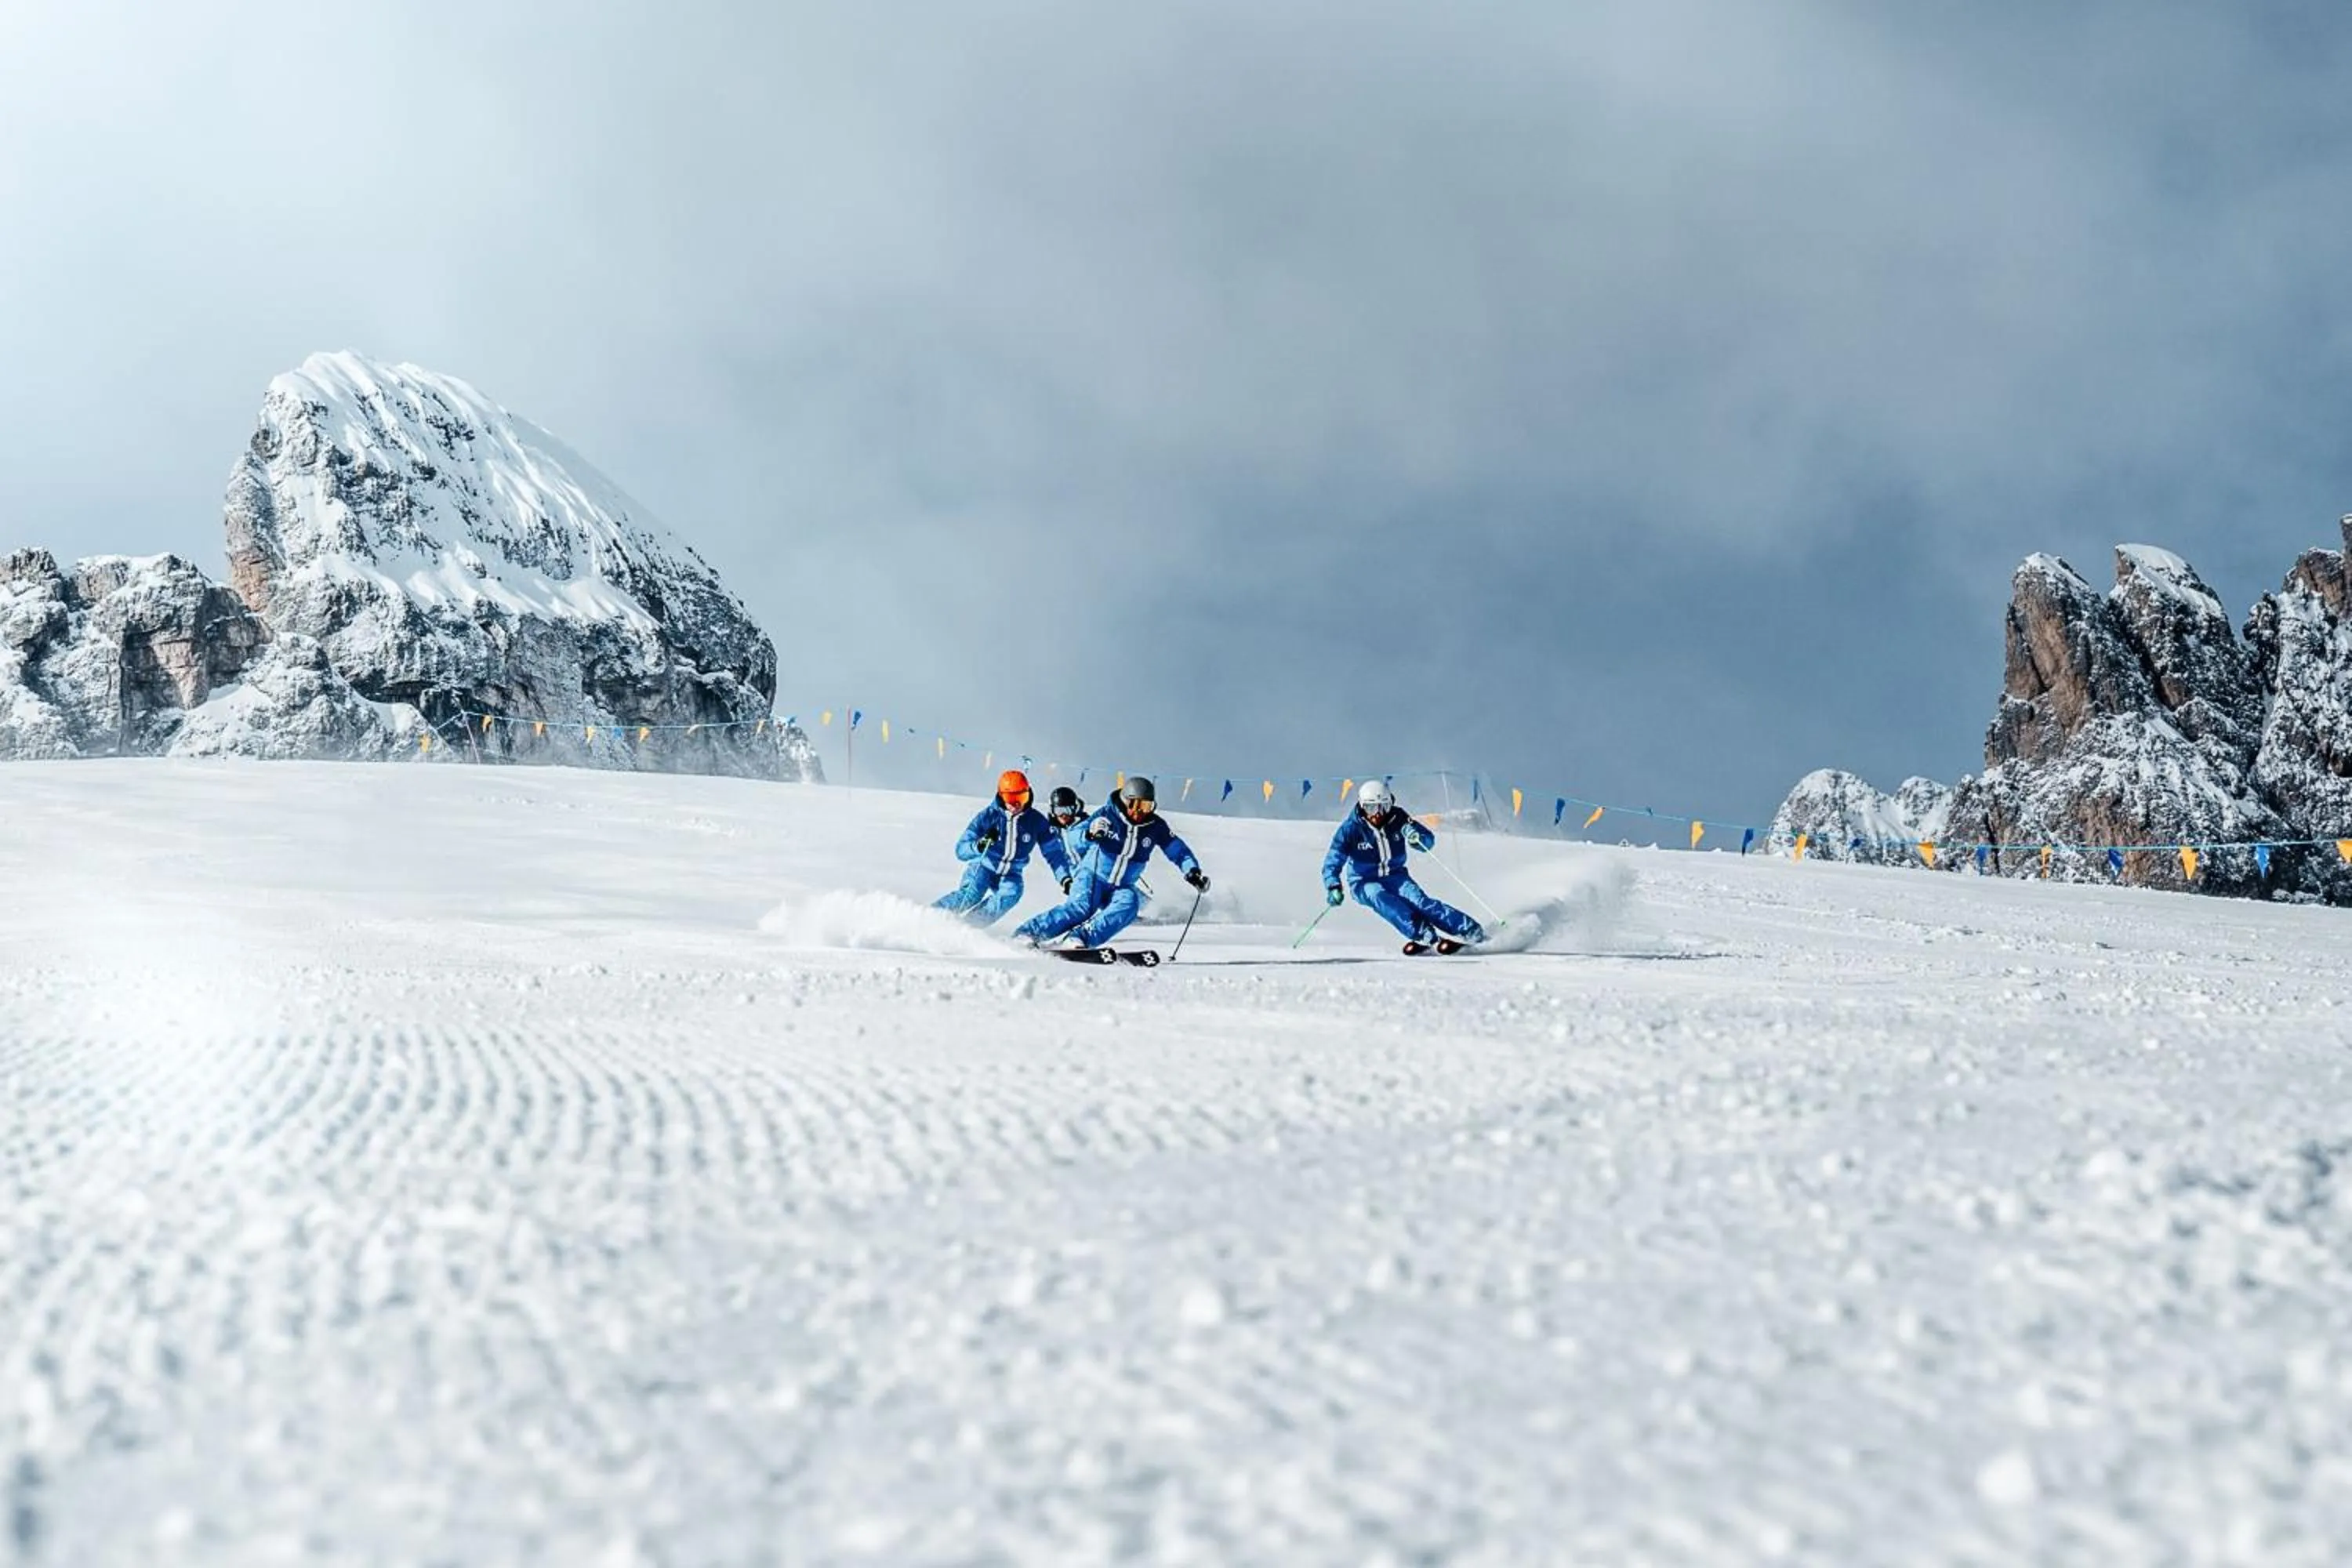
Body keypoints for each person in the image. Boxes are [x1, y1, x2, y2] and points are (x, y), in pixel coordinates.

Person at [1014, 776, 1208, 949]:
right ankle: (1029, 932)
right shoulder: (1108, 815)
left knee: (1130, 904)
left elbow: (1177, 850)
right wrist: (1089, 833)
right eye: (1135, 805)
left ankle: (1079, 938)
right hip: (1092, 876)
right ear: (1125, 801)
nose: (1139, 811)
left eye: (1146, 806)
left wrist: (1192, 871)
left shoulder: (1155, 826)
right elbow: (1075, 839)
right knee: (1082, 907)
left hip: (1122, 885)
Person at [1322, 779, 1486, 952]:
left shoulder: (1398, 818)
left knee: (1420, 902)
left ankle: (1470, 930)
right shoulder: (1351, 830)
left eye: (1383, 806)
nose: (1377, 814)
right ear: (1362, 806)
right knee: (1380, 897)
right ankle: (1425, 935)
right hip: (1363, 881)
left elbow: (1428, 843)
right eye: (1371, 808)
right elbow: (1332, 862)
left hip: (1396, 876)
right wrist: (1333, 885)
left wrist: (1416, 837)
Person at [934, 769, 1076, 926]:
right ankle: (931, 917)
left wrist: (1065, 878)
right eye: (1011, 798)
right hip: (984, 866)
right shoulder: (988, 817)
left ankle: (968, 927)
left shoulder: (1036, 821)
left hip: (1011, 873)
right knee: (972, 894)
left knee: (1012, 892)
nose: (1016, 804)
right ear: (1001, 796)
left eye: (1021, 797)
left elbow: (1054, 854)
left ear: (1028, 794)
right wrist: (980, 845)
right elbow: (961, 850)